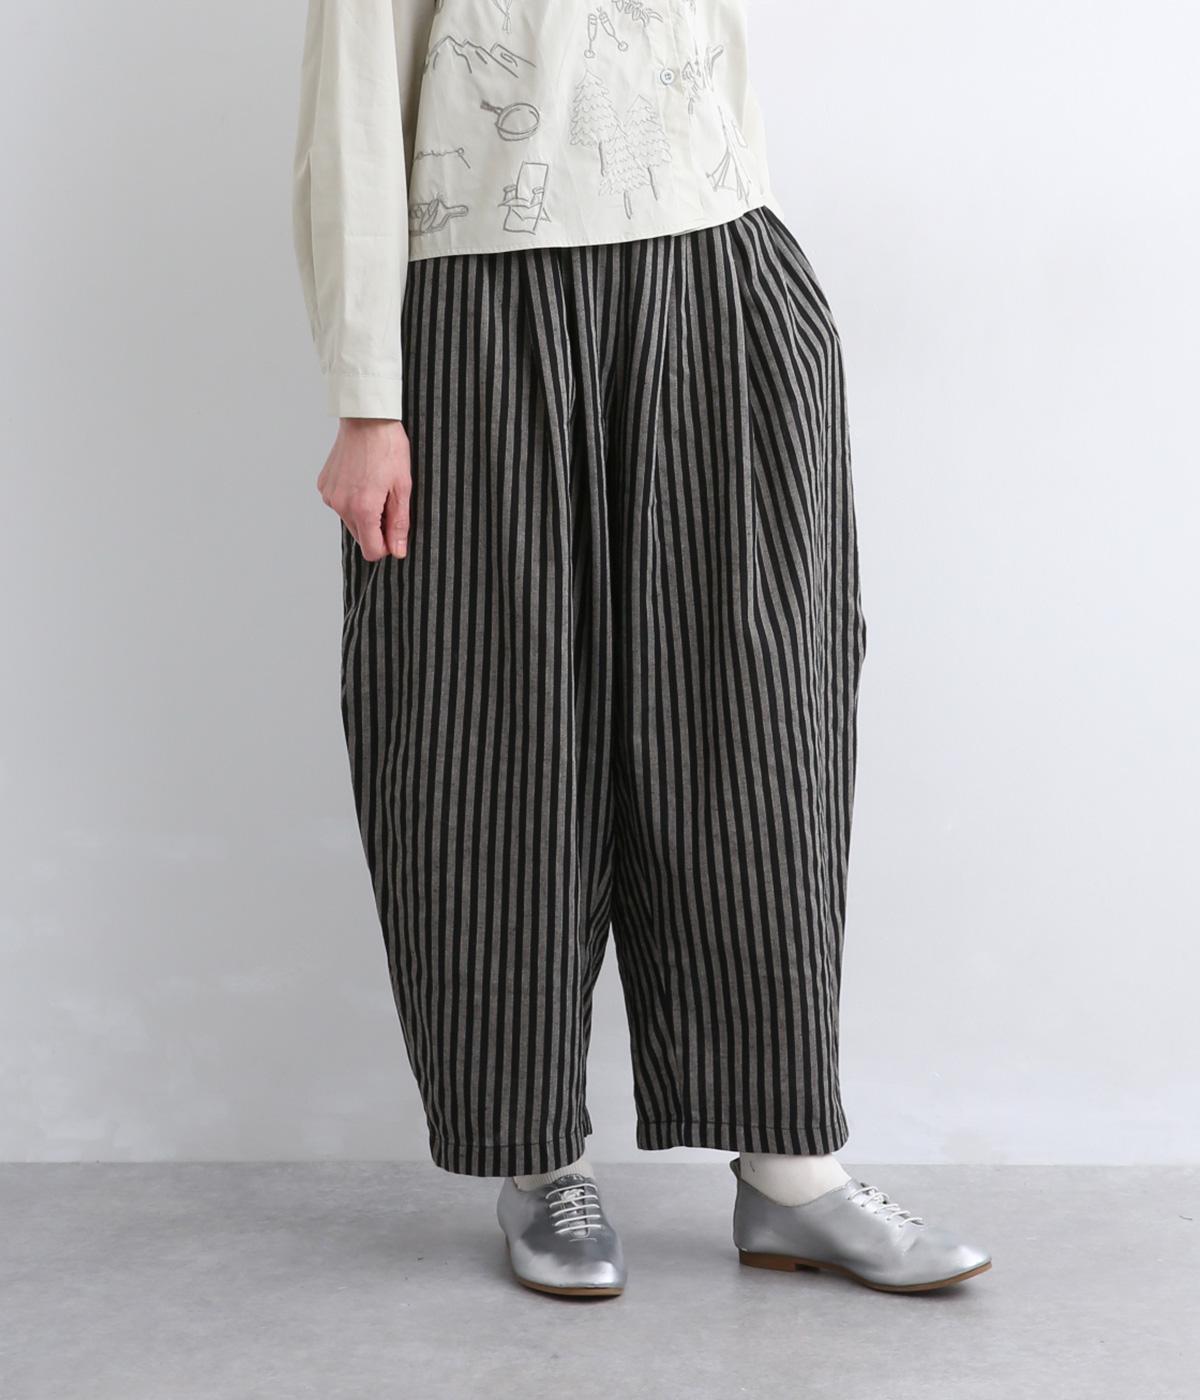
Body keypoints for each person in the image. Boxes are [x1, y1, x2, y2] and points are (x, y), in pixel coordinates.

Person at [292, 0, 991, 1299]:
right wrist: (366, 399)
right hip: (485, 298)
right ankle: (535, 1157)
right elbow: (353, 111)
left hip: (717, 274)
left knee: (758, 720)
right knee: (489, 730)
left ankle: (792, 1170)